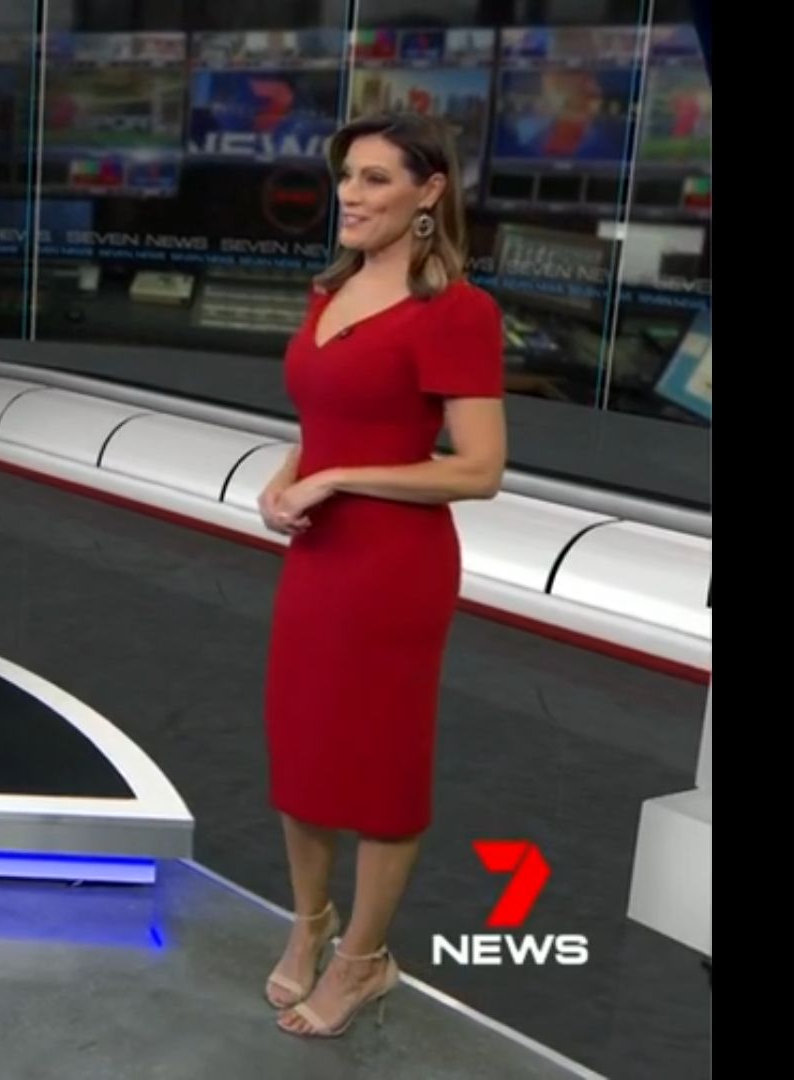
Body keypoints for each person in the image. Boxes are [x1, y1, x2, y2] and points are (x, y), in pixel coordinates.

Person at [256, 111, 507, 1039]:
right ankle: (311, 922)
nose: (349, 196)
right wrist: (286, 476)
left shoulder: (458, 312)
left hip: (393, 567)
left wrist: (336, 478)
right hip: (318, 556)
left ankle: (365, 960)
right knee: (302, 743)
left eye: (374, 179)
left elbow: (479, 469)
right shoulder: (332, 288)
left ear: (429, 191)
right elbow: (323, 420)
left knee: (378, 761)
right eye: (346, 178)